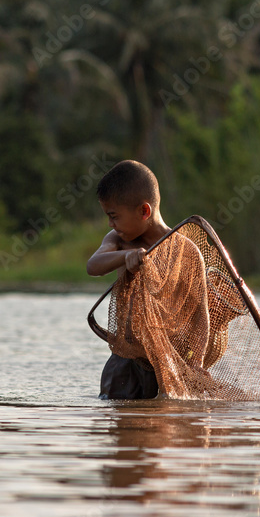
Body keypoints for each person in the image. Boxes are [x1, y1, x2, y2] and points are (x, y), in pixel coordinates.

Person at [87, 160, 172, 399]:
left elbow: (197, 312)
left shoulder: (179, 247)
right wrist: (127, 256)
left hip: (166, 362)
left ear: (144, 211)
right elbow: (93, 266)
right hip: (125, 360)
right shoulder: (118, 240)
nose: (110, 224)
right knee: (120, 420)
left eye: (114, 216)